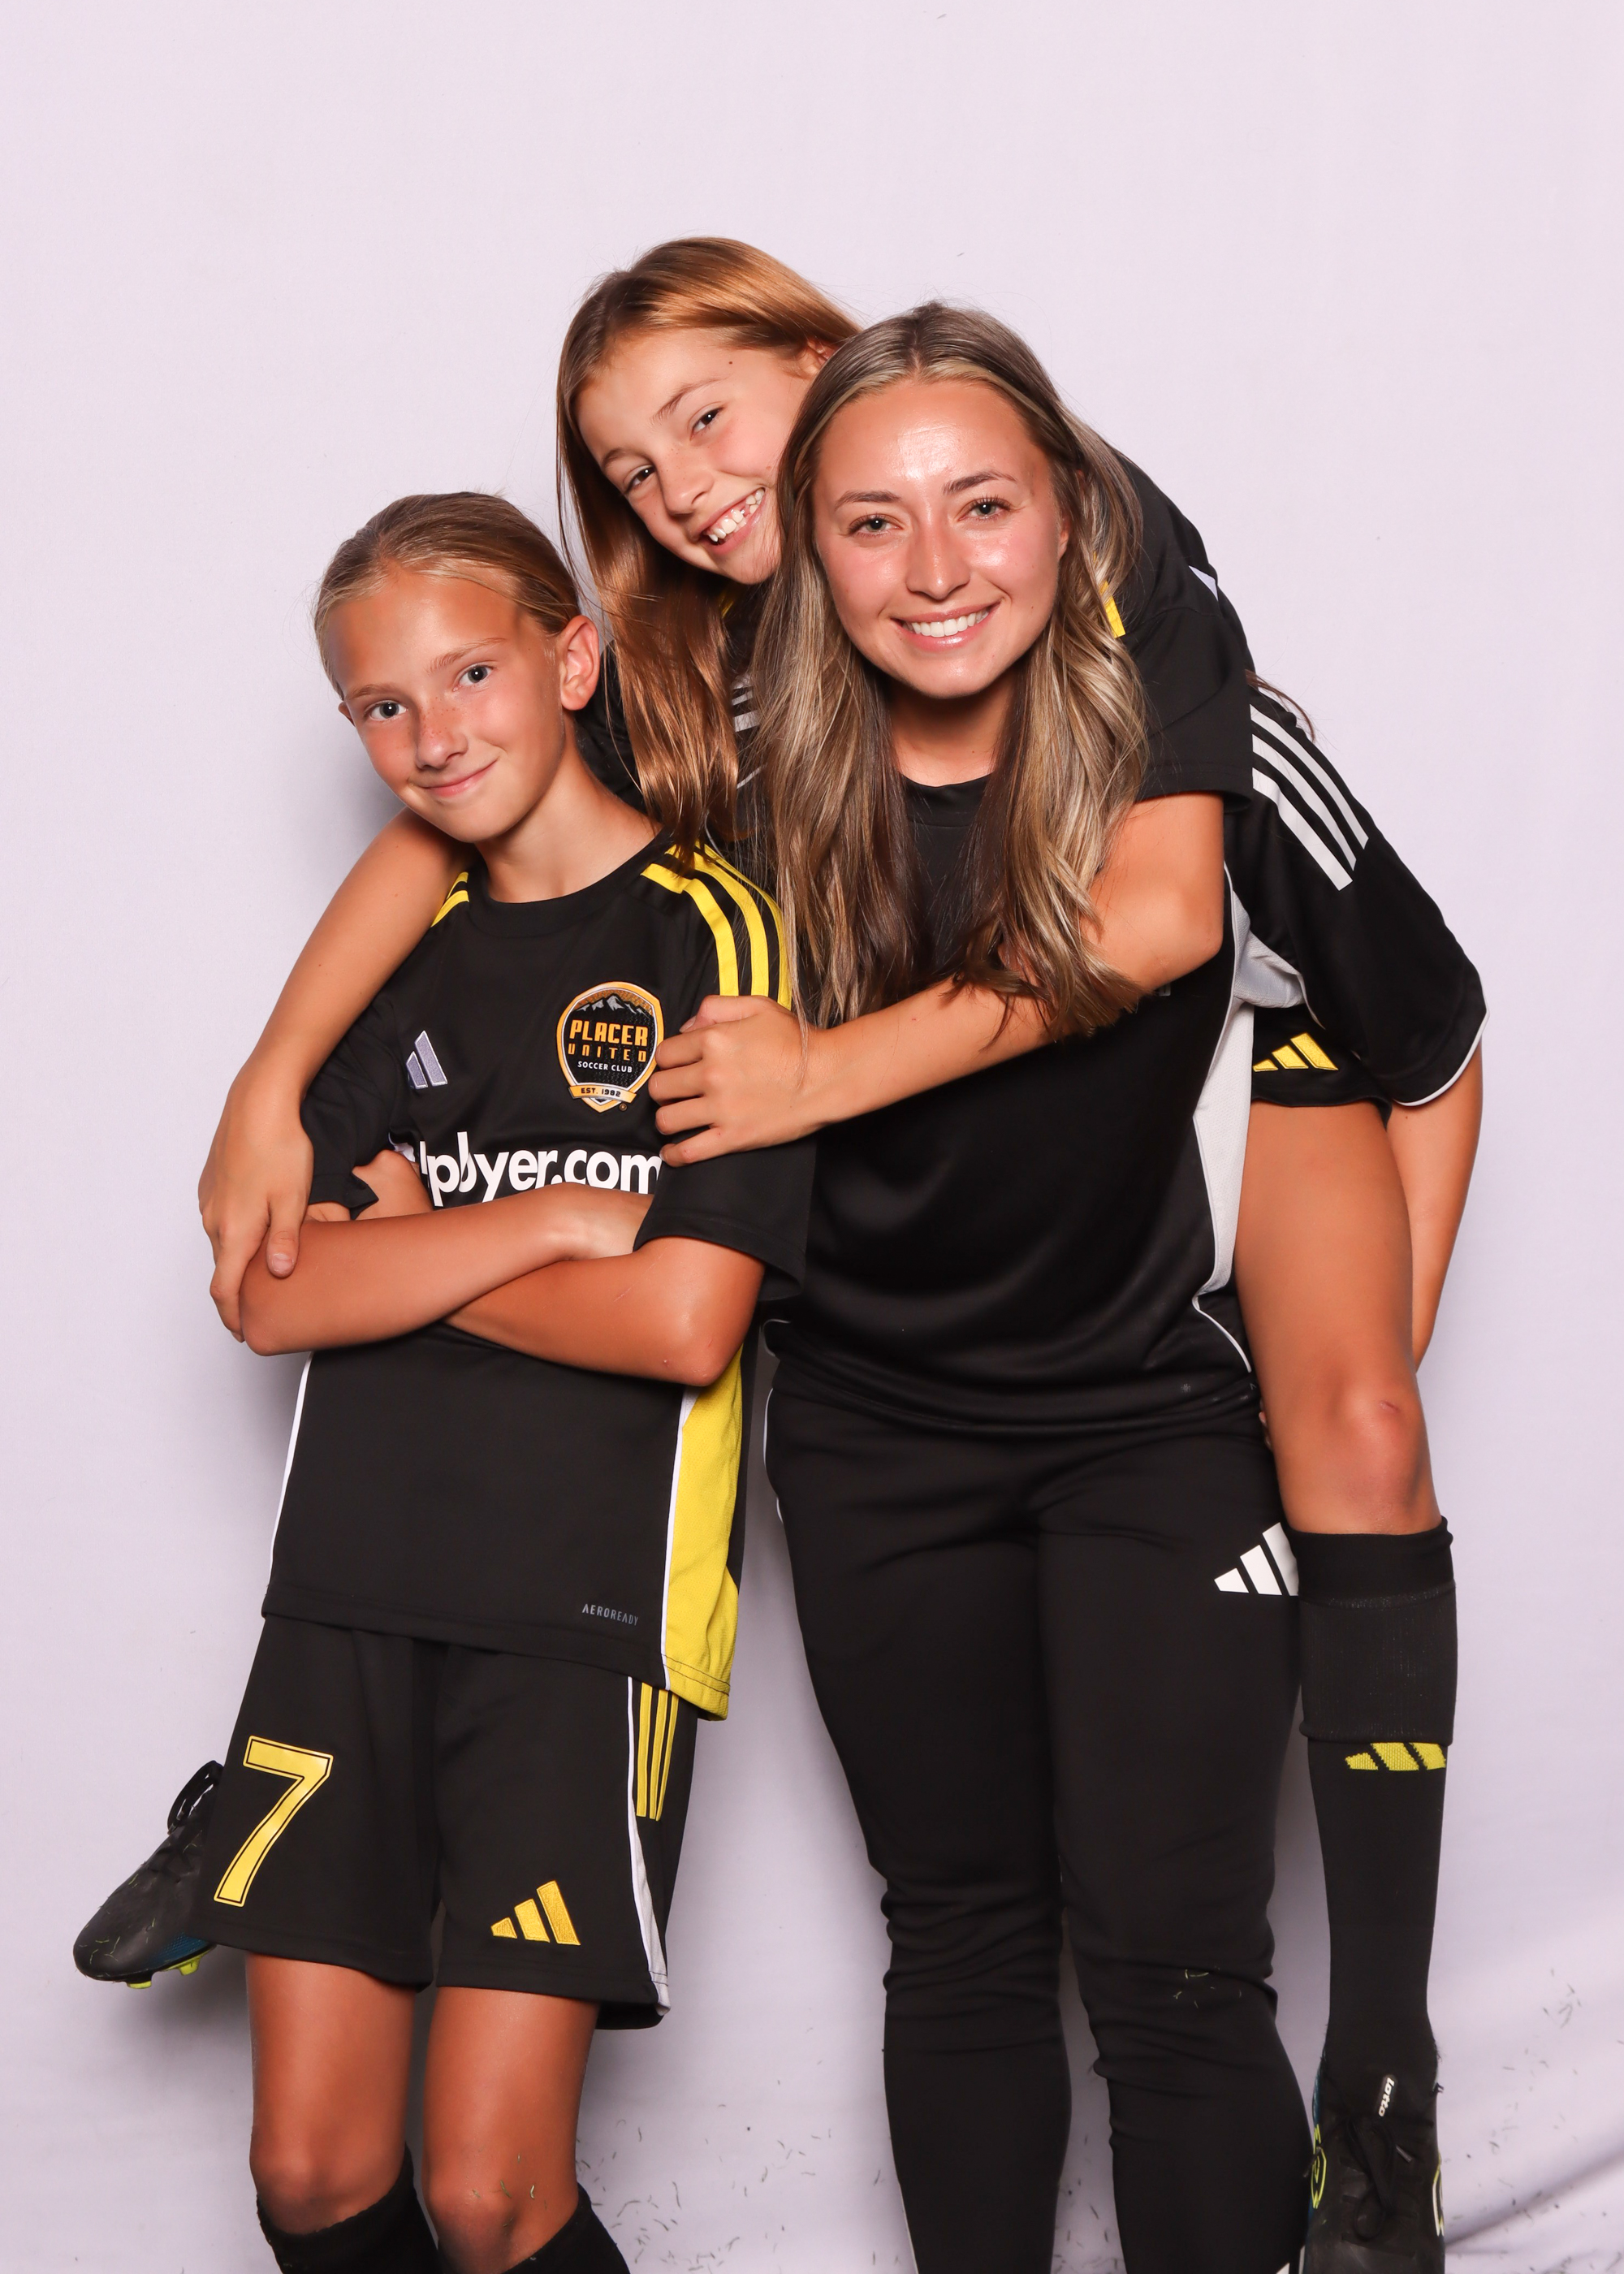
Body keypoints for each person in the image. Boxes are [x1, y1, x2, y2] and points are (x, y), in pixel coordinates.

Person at [88, 248, 1479, 2268]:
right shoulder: (720, 724)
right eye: (630, 472)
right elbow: (476, 804)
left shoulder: (1138, 645)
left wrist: (823, 1075)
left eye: (707, 422)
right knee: (964, 1937)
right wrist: (271, 1077)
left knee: (1183, 1934)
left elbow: (1211, 940)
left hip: (1159, 1366)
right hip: (875, 1414)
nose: (680, 490)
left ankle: (1389, 2073)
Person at [186, 492, 813, 2273]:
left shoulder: (715, 930)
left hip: (580, 1617)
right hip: (346, 1596)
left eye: (469, 673)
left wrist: (413, 1253)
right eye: (381, 704)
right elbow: (270, 1293)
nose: (432, 731)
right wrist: (541, 1222)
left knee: (489, 2193)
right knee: (312, 2174)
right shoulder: (395, 952)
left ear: (573, 659)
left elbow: (686, 1321)